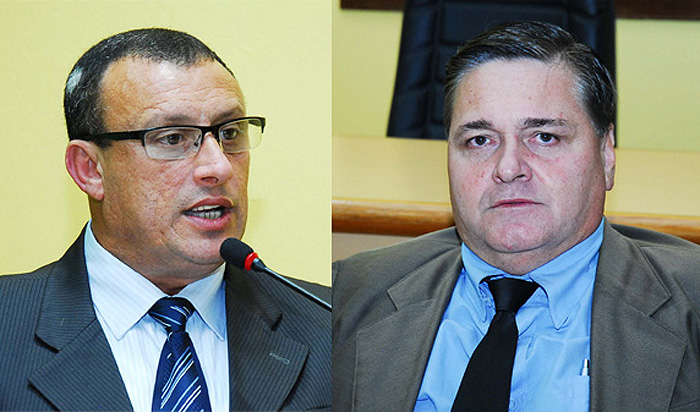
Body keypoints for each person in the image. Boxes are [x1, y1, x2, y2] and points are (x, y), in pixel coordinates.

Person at [332, 21, 700, 412]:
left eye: (544, 137)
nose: (508, 168)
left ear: (606, 154)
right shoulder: (347, 296)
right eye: (479, 140)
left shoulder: (689, 303)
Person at [0, 28, 330, 412]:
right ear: (90, 169)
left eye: (230, 133)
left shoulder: (329, 325)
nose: (219, 166)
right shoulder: (8, 326)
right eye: (172, 138)